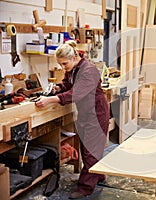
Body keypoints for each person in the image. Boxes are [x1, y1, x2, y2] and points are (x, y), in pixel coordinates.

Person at [35, 41, 109, 199]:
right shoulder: (73, 68)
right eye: (60, 64)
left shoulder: (88, 70)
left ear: (75, 57)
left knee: (91, 150)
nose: (63, 67)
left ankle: (85, 188)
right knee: (87, 148)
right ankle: (98, 175)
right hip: (85, 112)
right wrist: (58, 88)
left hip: (96, 113)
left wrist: (51, 100)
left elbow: (76, 93)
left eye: (64, 63)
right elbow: (67, 84)